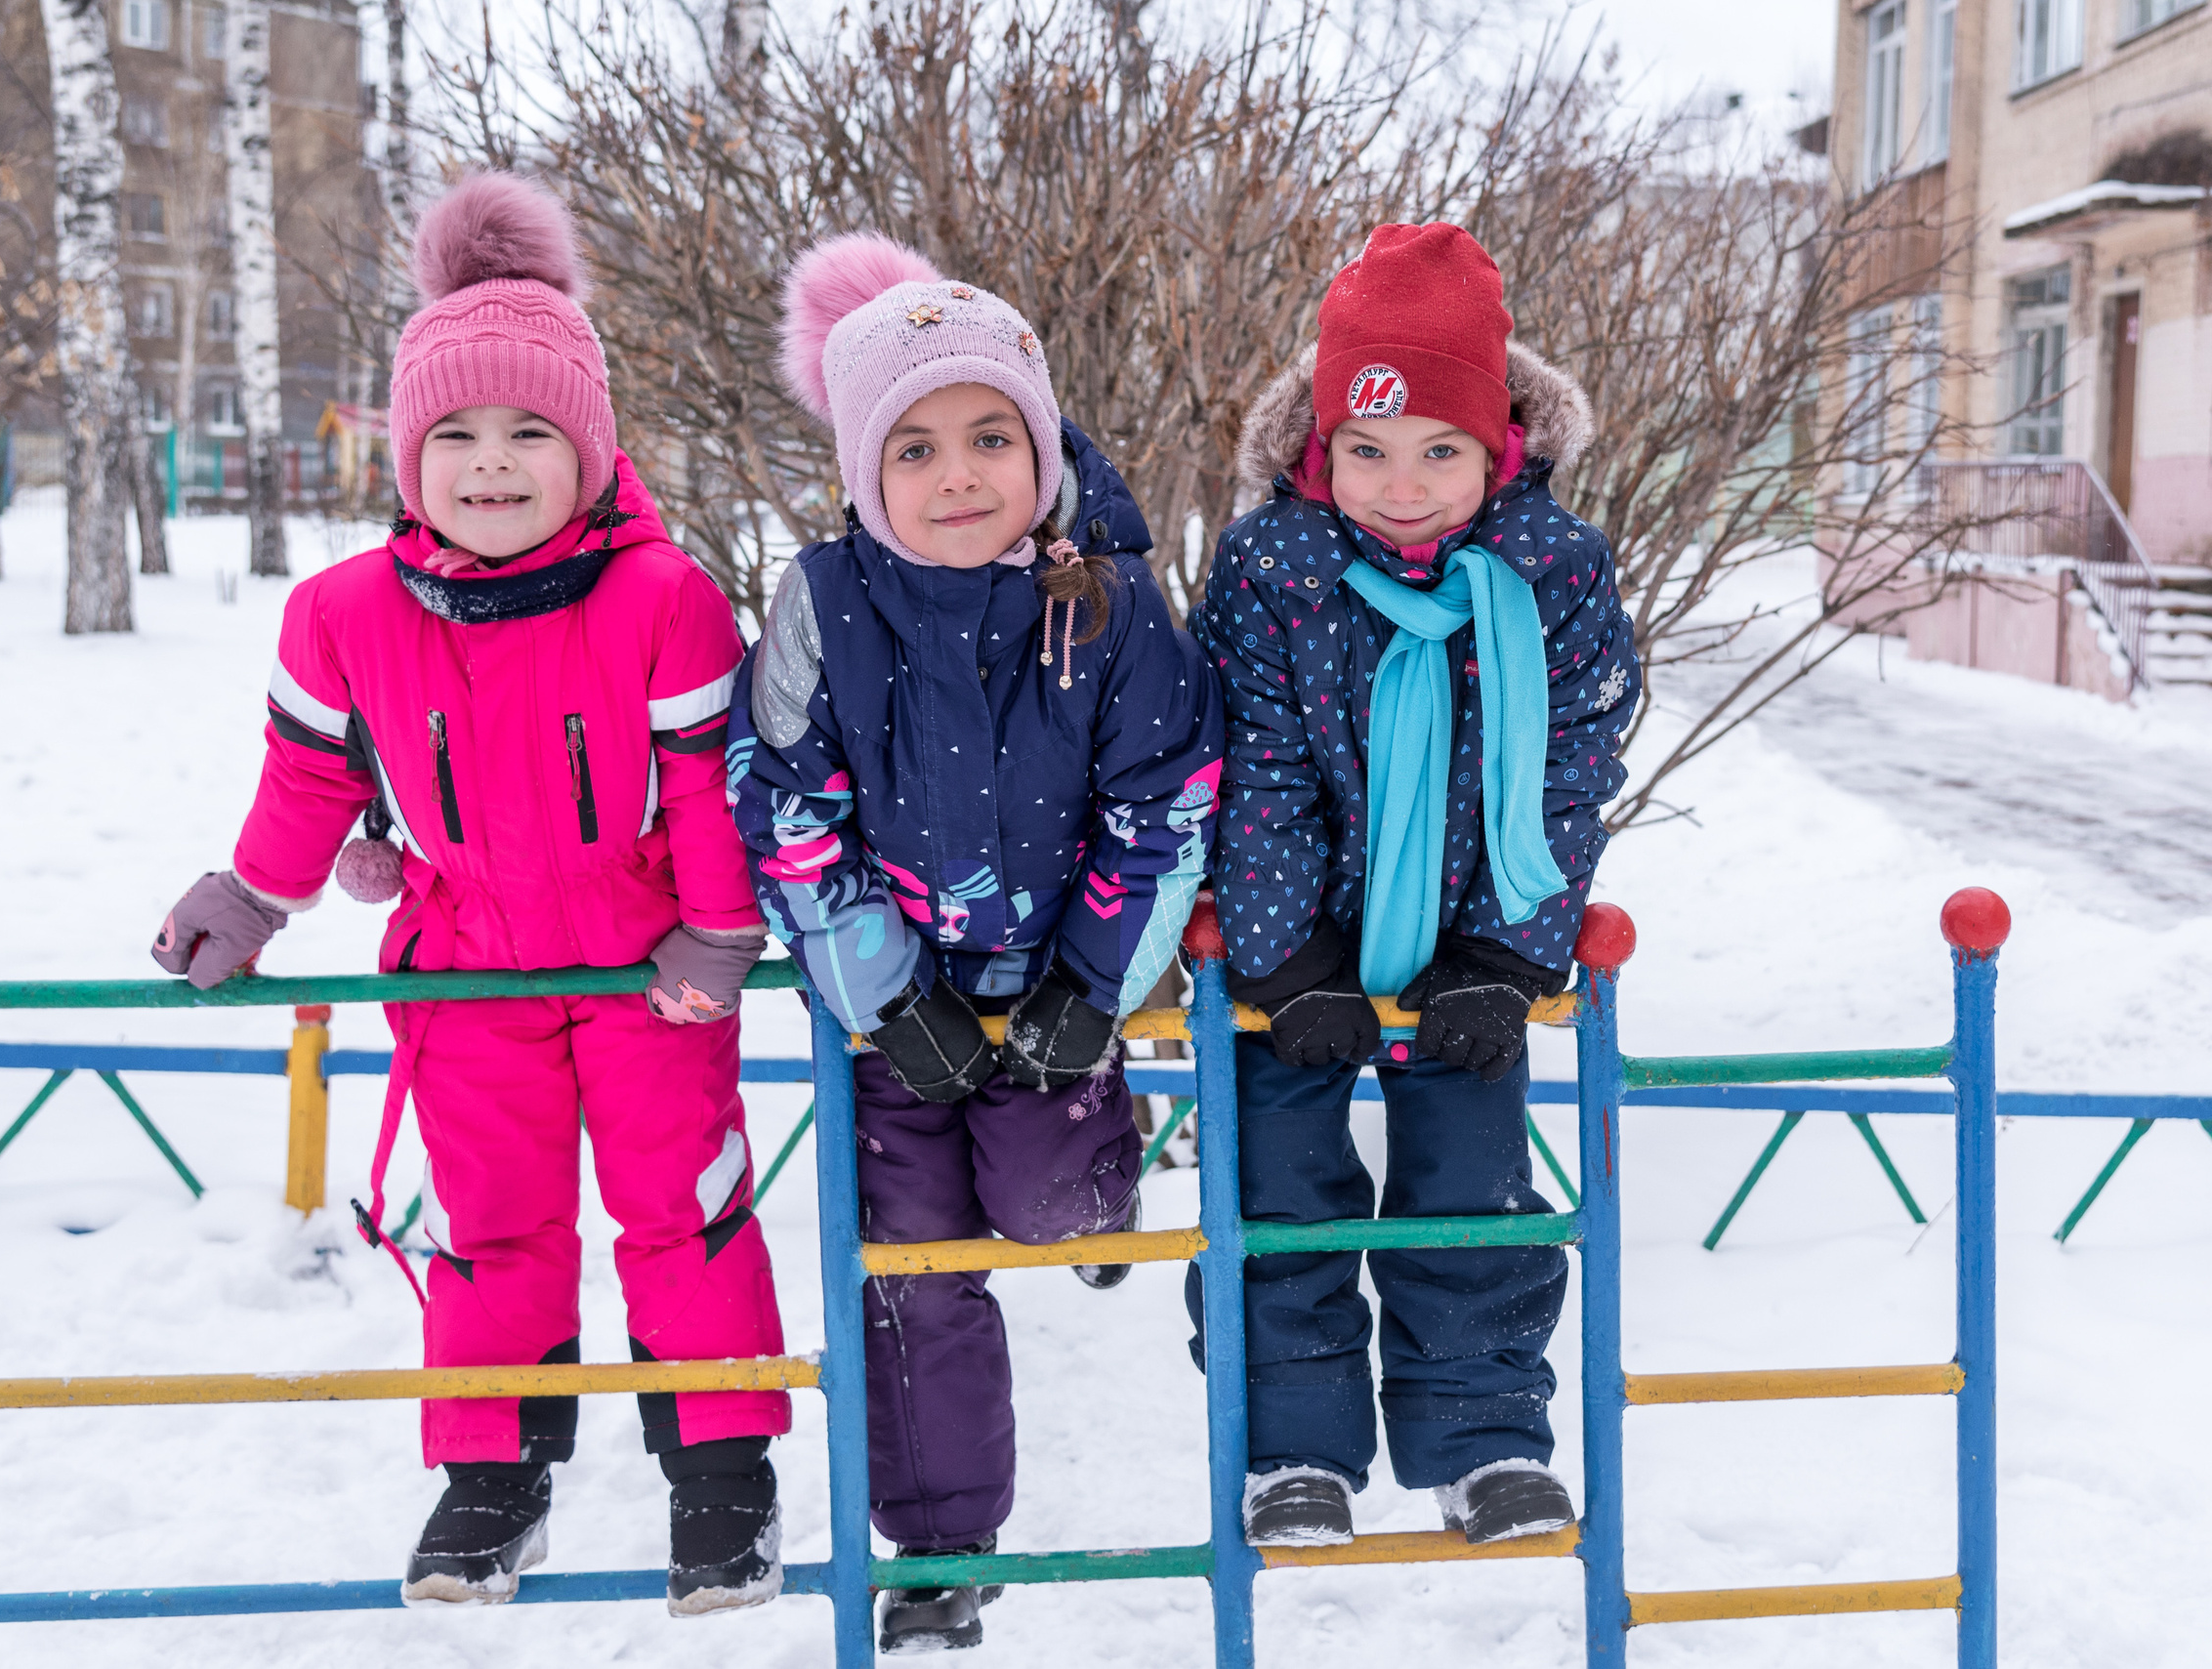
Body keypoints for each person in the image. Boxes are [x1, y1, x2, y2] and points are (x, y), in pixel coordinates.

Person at [147, 173, 791, 1616]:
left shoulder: (661, 597)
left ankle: (722, 1476)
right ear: (406, 450)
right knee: (493, 1224)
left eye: (528, 434)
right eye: (454, 435)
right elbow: (310, 784)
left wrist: (718, 928)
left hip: (645, 965)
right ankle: (494, 1478)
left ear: (590, 450)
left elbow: (703, 780)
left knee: (684, 1208)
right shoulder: (344, 614)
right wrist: (251, 899)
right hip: (466, 968)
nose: (490, 464)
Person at [729, 234, 1222, 1651]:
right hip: (904, 1004)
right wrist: (881, 996)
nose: (958, 476)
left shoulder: (1110, 608)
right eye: (917, 447)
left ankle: (1098, 1189)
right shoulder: (826, 606)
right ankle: (943, 1545)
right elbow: (788, 803)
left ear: (1043, 443)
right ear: (865, 474)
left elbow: (1167, 798)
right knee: (918, 1269)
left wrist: (1096, 983)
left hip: (1053, 981)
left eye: (991, 436)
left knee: (1048, 1200)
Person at [1189, 223, 1640, 1550]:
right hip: (1307, 942)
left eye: (1440, 451)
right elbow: (1256, 761)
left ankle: (1483, 1431)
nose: (1402, 487)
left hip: (1472, 939)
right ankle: (1293, 1444)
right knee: (1281, 1184)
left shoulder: (1553, 569)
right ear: (1320, 450)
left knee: (1471, 1180)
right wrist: (1283, 958)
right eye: (1366, 452)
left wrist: (1508, 956)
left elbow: (1569, 763)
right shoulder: (1275, 563)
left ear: (1499, 445)